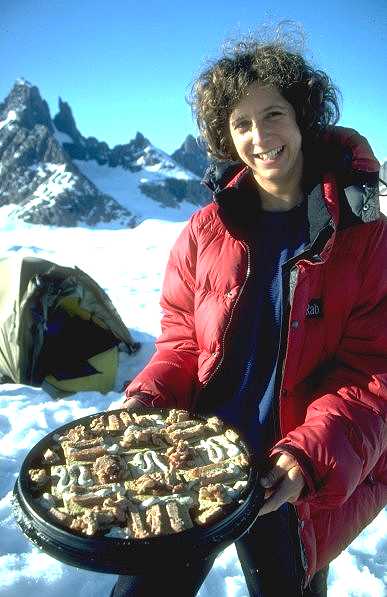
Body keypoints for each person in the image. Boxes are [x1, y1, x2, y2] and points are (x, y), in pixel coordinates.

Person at [113, 29, 387, 597]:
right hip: (193, 460)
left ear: (302, 116)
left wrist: (308, 459)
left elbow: (374, 372)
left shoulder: (365, 237)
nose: (259, 137)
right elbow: (182, 343)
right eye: (241, 123)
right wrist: (149, 398)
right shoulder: (205, 230)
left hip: (291, 478)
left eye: (273, 114)